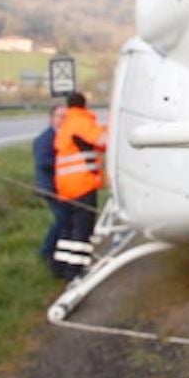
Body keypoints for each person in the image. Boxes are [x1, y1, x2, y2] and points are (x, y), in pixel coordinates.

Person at [53, 92, 107, 279]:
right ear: (85, 105)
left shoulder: (66, 124)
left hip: (65, 187)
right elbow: (103, 140)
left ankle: (60, 267)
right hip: (82, 184)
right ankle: (75, 271)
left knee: (67, 229)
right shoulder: (81, 121)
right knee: (82, 230)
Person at [34, 104, 68, 276]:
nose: (63, 120)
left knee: (64, 219)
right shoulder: (45, 138)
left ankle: (56, 251)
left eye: (66, 116)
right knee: (61, 218)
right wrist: (64, 162)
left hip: (62, 187)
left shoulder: (64, 137)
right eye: (60, 116)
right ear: (52, 118)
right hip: (49, 187)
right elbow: (42, 162)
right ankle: (47, 251)